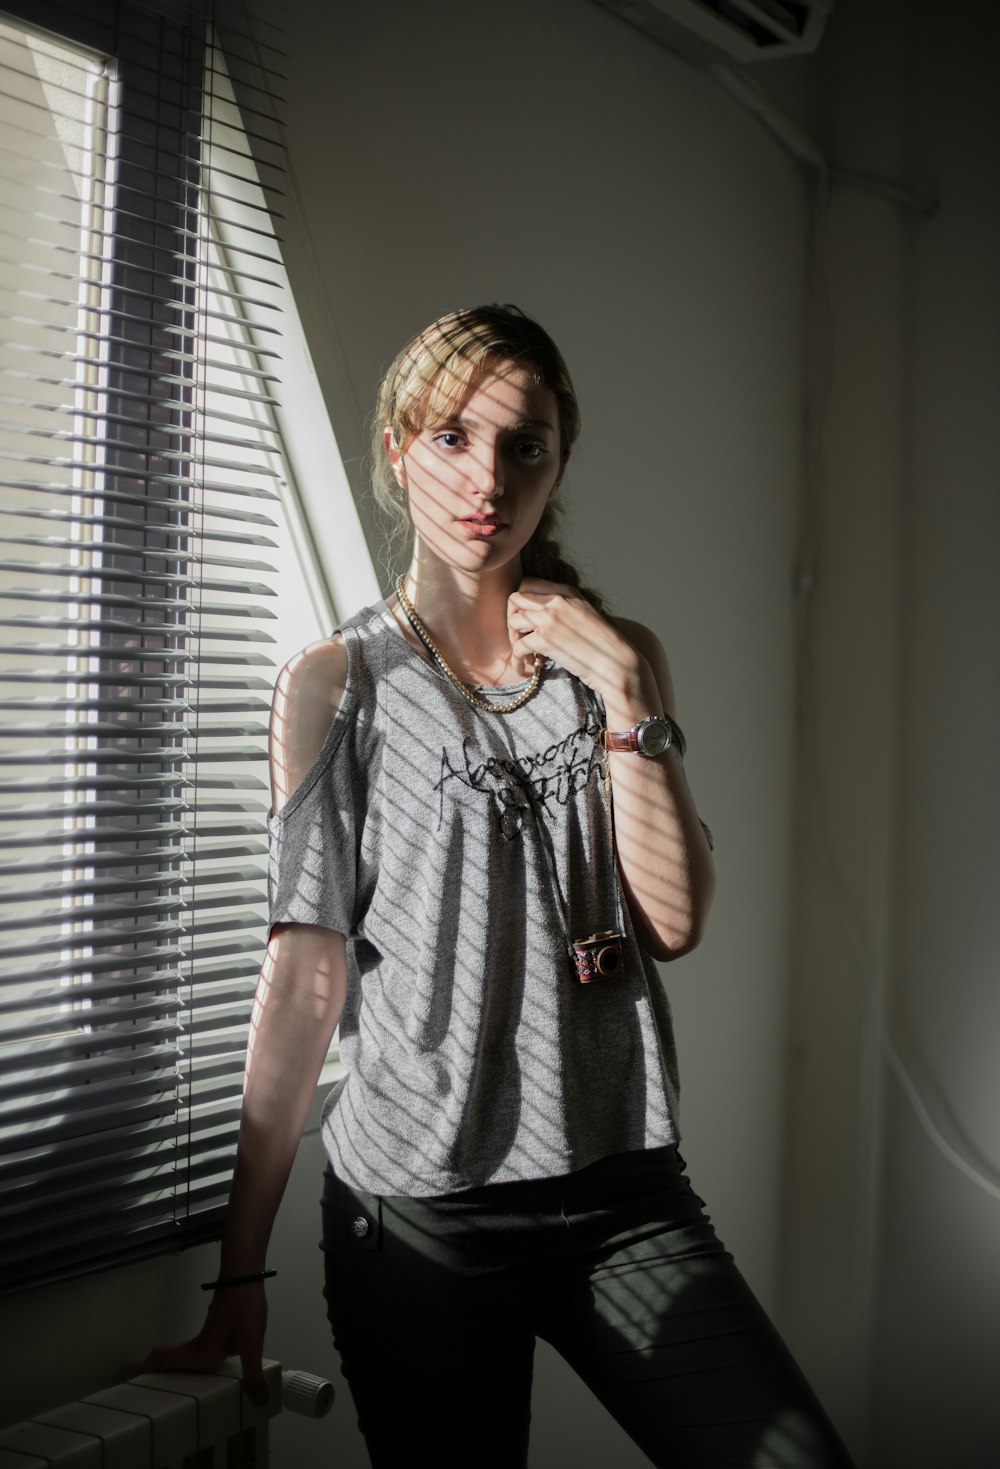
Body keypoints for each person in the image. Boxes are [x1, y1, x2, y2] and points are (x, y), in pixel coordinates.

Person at [144, 304, 856, 1468]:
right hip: (422, 1218)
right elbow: (305, 982)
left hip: (620, 1189)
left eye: (524, 444)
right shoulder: (337, 684)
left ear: (559, 461)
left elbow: (670, 921)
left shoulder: (615, 662)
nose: (489, 477)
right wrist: (240, 1266)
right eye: (451, 438)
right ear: (396, 450)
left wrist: (627, 693)